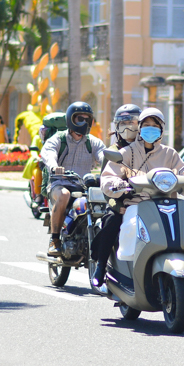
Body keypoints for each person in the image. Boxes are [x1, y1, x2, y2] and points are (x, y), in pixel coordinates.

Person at [93, 107, 184, 287]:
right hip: (136, 204)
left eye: (155, 125)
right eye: (146, 125)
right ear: (140, 128)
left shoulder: (170, 154)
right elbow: (109, 175)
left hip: (166, 204)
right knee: (120, 225)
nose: (150, 129)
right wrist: (117, 184)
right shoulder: (128, 152)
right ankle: (105, 267)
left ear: (162, 129)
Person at [39, 102, 106, 256]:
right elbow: (48, 153)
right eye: (79, 118)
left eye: (86, 119)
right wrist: (54, 166)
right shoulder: (59, 138)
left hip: (83, 186)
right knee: (64, 195)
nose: (83, 122)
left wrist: (113, 168)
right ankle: (54, 240)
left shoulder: (93, 142)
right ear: (70, 120)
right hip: (59, 183)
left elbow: (104, 156)